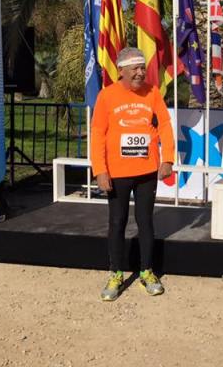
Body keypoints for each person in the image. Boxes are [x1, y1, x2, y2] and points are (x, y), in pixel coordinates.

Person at [91, 47, 175, 302]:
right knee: (117, 223)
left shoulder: (152, 93)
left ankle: (147, 271)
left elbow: (165, 125)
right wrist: (100, 170)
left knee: (145, 222)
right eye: (135, 69)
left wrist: (168, 158)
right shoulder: (107, 96)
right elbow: (97, 134)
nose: (140, 74)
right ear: (122, 71)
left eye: (142, 68)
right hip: (117, 172)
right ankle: (116, 273)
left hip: (146, 171)